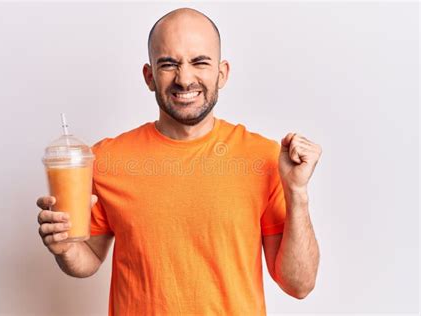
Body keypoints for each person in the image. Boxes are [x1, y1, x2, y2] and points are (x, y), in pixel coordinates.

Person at [36, 7, 322, 315]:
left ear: (222, 73)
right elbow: (88, 257)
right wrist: (65, 248)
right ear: (149, 77)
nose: (185, 79)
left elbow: (299, 285)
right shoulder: (106, 159)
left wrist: (298, 193)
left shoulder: (263, 158)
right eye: (169, 64)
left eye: (199, 62)